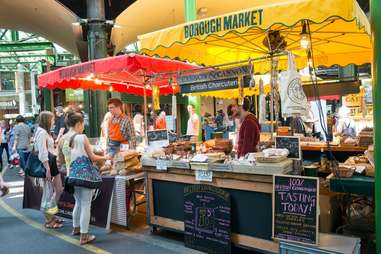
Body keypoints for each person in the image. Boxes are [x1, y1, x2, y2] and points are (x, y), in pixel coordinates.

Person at [58, 112, 106, 245]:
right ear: (79, 124)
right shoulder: (82, 137)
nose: (83, 127)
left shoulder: (62, 139)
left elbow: (60, 160)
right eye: (83, 124)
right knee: (86, 205)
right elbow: (93, 158)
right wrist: (107, 158)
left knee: (78, 203)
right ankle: (84, 236)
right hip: (85, 177)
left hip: (70, 177)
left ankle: (76, 228)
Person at [35, 111, 64, 229]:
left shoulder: (45, 132)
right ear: (47, 120)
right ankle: (48, 219)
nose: (54, 121)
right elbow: (42, 152)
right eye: (52, 119)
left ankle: (51, 215)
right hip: (48, 165)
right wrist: (47, 168)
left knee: (58, 189)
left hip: (52, 164)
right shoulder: (42, 133)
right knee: (49, 192)